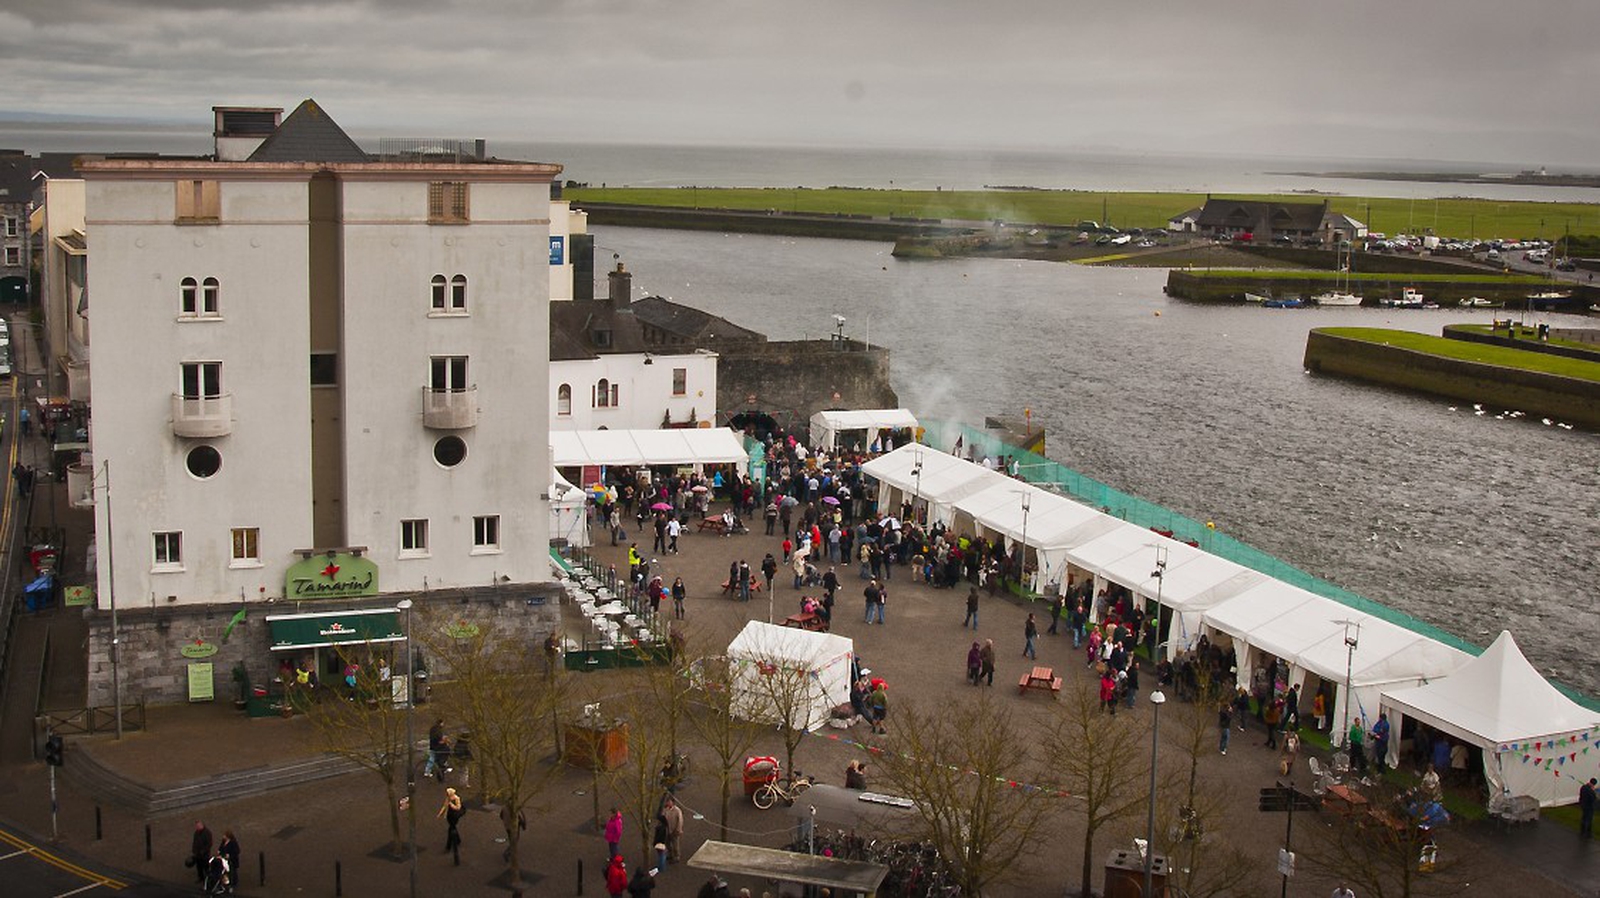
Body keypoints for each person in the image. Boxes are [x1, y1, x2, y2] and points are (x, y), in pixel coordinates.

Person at [438, 787, 464, 863]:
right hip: (449, 815)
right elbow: (445, 805)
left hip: (454, 815)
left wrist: (451, 805)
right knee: (452, 828)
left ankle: (449, 846)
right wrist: (440, 813)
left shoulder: (456, 798)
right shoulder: (448, 798)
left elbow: (458, 807)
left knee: (451, 829)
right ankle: (457, 840)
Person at [662, 796, 684, 863]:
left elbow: (680, 821)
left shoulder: (677, 810)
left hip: (674, 830)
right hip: (667, 830)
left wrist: (678, 829)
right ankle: (670, 854)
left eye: (669, 802)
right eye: (667, 801)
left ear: (673, 802)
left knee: (675, 844)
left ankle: (677, 856)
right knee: (667, 843)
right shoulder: (666, 809)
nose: (668, 803)